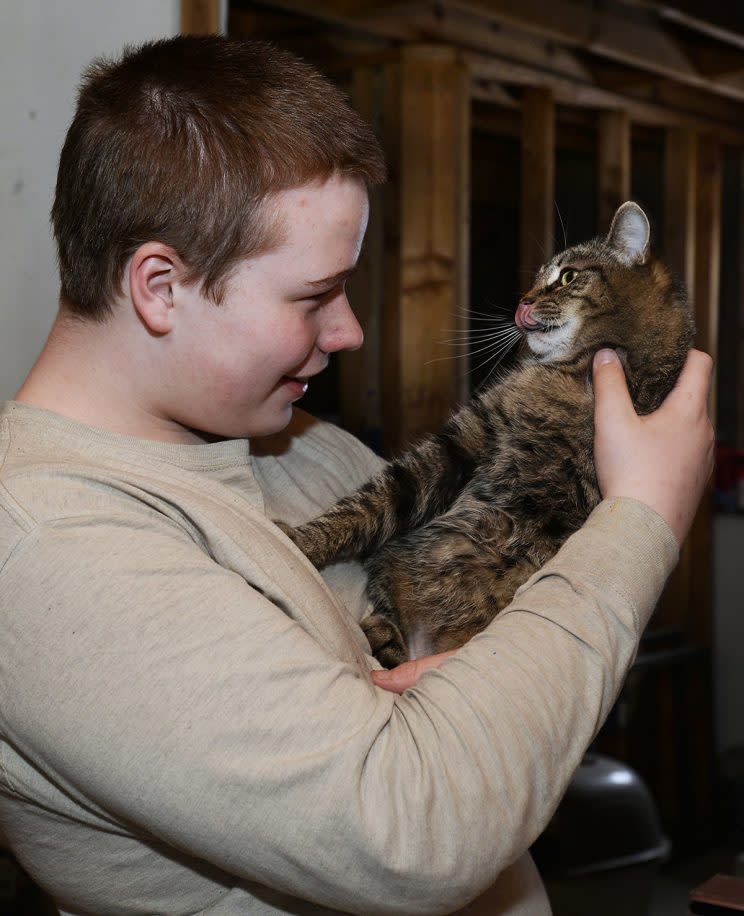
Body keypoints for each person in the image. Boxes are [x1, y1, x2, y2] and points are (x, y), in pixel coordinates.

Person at [0, 34, 712, 916]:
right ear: (160, 286)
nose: (350, 333)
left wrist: (491, 684)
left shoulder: (306, 450)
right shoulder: (46, 553)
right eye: (312, 297)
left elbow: (527, 715)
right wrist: (642, 517)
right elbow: (420, 831)